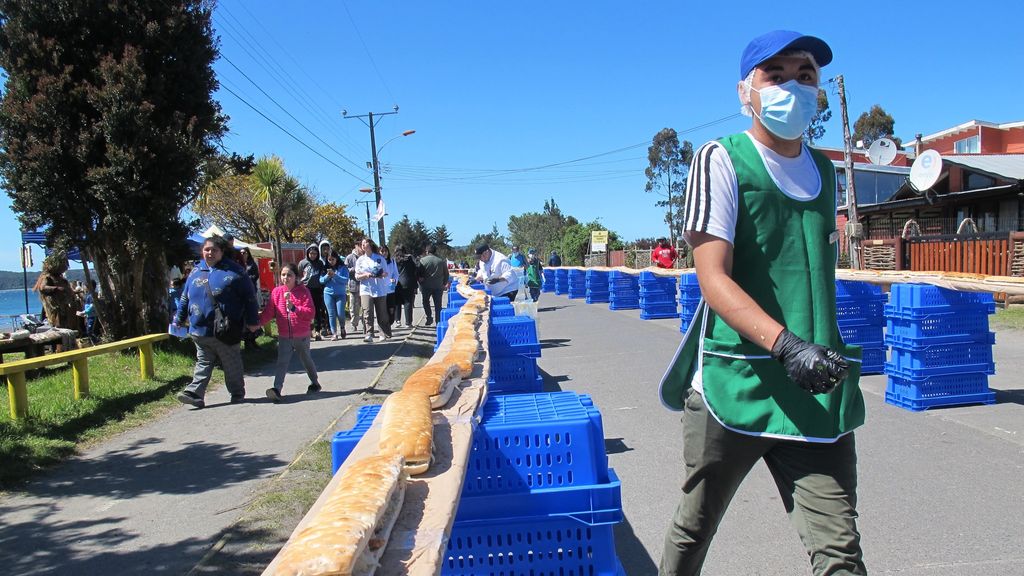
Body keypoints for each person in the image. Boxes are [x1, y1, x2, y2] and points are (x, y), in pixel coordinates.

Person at [657, 31, 865, 576]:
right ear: (745, 92)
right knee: (694, 527)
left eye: (805, 75)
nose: (792, 86)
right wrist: (786, 345)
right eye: (775, 76)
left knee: (839, 552)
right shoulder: (721, 161)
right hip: (737, 384)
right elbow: (713, 279)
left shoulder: (824, 171)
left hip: (813, 387)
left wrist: (809, 352)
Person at [173, 235, 259, 408]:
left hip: (226, 329)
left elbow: (249, 298)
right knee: (203, 361)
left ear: (222, 252)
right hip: (200, 330)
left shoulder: (235, 271)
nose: (210, 253)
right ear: (201, 251)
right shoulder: (196, 272)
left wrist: (252, 321)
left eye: (214, 250)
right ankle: (195, 393)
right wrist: (179, 319)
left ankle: (237, 393)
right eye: (207, 250)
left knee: (231, 363)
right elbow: (184, 298)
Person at [257, 263, 320, 402]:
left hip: (301, 335)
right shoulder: (276, 292)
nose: (285, 278)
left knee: (306, 360)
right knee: (282, 362)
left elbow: (310, 313)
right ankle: (277, 389)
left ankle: (315, 382)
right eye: (283, 275)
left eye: (289, 275)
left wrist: (294, 308)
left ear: (296, 277)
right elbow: (269, 312)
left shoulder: (303, 292)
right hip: (285, 335)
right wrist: (257, 324)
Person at [354, 238, 392, 343]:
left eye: (365, 243)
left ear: (370, 244)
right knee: (367, 312)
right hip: (366, 289)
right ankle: (369, 333)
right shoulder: (360, 260)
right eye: (362, 244)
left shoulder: (379, 258)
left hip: (379, 288)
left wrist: (380, 275)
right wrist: (366, 275)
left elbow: (386, 273)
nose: (363, 245)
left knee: (382, 312)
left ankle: (382, 333)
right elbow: (357, 276)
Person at [33, 253, 77, 331]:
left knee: (67, 326)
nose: (65, 267)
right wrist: (57, 288)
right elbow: (42, 287)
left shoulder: (61, 279)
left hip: (66, 307)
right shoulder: (47, 277)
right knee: (59, 326)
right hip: (55, 308)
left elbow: (68, 290)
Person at [298, 244, 328, 340]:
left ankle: (317, 330)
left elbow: (323, 275)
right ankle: (308, 330)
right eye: (311, 253)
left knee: (317, 311)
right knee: (306, 310)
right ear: (308, 253)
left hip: (317, 289)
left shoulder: (320, 263)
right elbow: (298, 276)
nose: (313, 255)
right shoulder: (302, 263)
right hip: (305, 289)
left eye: (315, 253)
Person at [319, 251, 349, 341]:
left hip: (340, 294)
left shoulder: (343, 268)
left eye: (333, 259)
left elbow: (345, 280)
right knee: (331, 314)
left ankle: (342, 327)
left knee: (340, 313)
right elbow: (321, 280)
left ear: (337, 258)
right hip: (328, 293)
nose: (331, 261)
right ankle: (334, 333)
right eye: (329, 259)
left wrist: (335, 275)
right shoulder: (325, 268)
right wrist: (327, 276)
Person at [417, 243, 448, 326]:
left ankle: (429, 317)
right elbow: (446, 274)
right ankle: (438, 321)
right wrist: (444, 283)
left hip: (426, 286)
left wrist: (420, 282)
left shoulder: (422, 261)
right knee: (438, 304)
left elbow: (418, 273)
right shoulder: (441, 261)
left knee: (425, 302)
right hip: (438, 286)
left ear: (427, 251)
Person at [238, 247, 262, 350]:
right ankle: (247, 341)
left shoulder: (252, 264)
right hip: (241, 296)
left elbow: (256, 275)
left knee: (253, 315)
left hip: (251, 292)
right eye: (241, 253)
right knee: (244, 319)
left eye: (245, 252)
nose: (243, 254)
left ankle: (253, 340)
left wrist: (247, 278)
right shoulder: (237, 265)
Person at [394, 244, 419, 328]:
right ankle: (408, 322)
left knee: (397, 303)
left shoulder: (394, 260)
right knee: (408, 302)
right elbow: (416, 268)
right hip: (408, 282)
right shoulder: (409, 259)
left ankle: (397, 321)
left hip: (397, 283)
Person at [345, 241, 364, 335]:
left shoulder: (365, 257)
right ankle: (354, 324)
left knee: (365, 306)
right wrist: (354, 269)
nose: (361, 247)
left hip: (364, 285)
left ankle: (366, 324)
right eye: (360, 245)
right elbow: (345, 269)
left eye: (362, 245)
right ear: (356, 246)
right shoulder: (349, 257)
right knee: (354, 307)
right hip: (353, 285)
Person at [380, 245, 399, 327]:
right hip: (381, 289)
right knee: (383, 309)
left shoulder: (392, 261)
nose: (384, 253)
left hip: (391, 289)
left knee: (391, 309)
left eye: (386, 251)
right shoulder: (377, 262)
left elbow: (395, 274)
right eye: (382, 251)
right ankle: (385, 325)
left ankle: (390, 321)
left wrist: (393, 283)